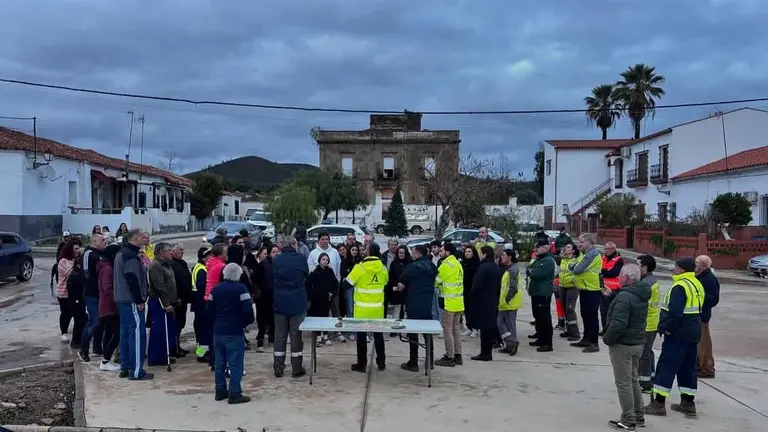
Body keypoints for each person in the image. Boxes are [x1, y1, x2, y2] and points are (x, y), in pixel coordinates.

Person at [644, 257, 706, 418]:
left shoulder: (680, 286)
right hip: (693, 332)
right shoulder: (696, 283)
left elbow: (674, 313)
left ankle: (658, 403)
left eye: (676, 266)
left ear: (683, 269)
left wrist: (666, 328)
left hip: (678, 333)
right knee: (687, 368)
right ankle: (688, 403)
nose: (674, 269)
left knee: (666, 366)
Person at [603, 264, 651, 431]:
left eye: (621, 275)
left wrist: (607, 338)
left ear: (627, 278)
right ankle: (638, 415)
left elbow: (619, 324)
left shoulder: (625, 297)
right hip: (637, 342)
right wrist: (614, 296)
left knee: (623, 382)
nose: (618, 277)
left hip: (623, 344)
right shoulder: (640, 293)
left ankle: (628, 419)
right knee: (632, 379)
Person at [210, 263, 255, 404]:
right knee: (235, 364)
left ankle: (220, 390)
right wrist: (246, 322)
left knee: (219, 362)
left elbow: (209, 310)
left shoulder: (216, 289)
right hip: (234, 331)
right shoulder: (241, 289)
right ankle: (235, 393)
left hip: (218, 331)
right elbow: (248, 311)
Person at [114, 229, 152, 380]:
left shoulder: (122, 253)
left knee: (125, 334)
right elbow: (131, 278)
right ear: (135, 238)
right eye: (143, 237)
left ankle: (126, 367)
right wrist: (139, 300)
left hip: (122, 300)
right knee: (137, 335)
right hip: (131, 301)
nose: (145, 239)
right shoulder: (130, 256)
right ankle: (136, 371)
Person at [347, 242, 389, 373]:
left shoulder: (359, 268)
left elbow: (347, 283)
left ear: (369, 251)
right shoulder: (382, 268)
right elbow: (386, 282)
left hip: (361, 310)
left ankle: (362, 364)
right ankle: (381, 362)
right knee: (378, 336)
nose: (363, 250)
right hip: (377, 310)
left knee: (361, 337)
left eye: (365, 248)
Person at [272, 235, 309, 378]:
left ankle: (278, 367)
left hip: (280, 303)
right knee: (296, 336)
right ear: (294, 245)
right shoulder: (300, 259)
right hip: (297, 302)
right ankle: (296, 368)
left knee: (279, 337)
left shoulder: (277, 260)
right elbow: (306, 275)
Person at [397, 245, 437, 372]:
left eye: (413, 253)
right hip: (428, 304)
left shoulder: (412, 267)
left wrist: (397, 288)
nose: (412, 255)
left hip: (414, 303)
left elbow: (401, 285)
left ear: (418, 254)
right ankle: (429, 360)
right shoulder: (432, 266)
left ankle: (413, 362)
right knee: (427, 333)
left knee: (413, 332)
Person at [467, 245, 502, 361]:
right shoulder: (496, 267)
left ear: (485, 254)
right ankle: (487, 352)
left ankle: (485, 353)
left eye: (480, 253)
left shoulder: (483, 267)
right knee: (489, 326)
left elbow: (477, 285)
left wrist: (470, 296)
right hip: (492, 300)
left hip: (482, 300)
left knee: (484, 327)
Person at [569, 234, 603, 353]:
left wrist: (574, 267)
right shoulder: (584, 254)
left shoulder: (592, 254)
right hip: (584, 288)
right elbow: (573, 265)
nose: (579, 244)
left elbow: (577, 269)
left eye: (582, 242)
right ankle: (586, 338)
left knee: (591, 317)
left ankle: (594, 342)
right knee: (585, 315)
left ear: (589, 242)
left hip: (592, 290)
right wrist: (573, 266)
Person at [148, 242, 179, 366]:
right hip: (159, 303)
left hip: (170, 301)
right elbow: (160, 286)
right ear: (161, 253)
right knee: (159, 330)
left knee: (168, 330)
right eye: (168, 250)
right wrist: (166, 304)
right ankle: (156, 357)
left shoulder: (167, 265)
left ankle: (163, 355)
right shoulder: (156, 266)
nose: (171, 253)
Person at [434, 242, 465, 367]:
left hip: (448, 302)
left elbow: (436, 282)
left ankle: (449, 356)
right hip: (458, 302)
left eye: (442, 250)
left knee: (447, 330)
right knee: (456, 329)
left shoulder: (445, 265)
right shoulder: (458, 264)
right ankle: (458, 355)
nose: (440, 252)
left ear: (448, 252)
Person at [79, 234, 108, 362]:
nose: (105, 242)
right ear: (94, 241)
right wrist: (97, 287)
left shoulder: (101, 254)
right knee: (93, 321)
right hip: (92, 294)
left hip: (100, 294)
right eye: (102, 240)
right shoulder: (88, 254)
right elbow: (86, 275)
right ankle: (83, 349)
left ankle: (97, 348)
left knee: (101, 321)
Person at [527, 239, 556, 352]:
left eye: (538, 247)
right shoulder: (540, 259)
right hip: (536, 292)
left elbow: (535, 274)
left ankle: (547, 343)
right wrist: (532, 270)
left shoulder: (548, 261)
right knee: (538, 317)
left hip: (543, 293)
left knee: (544, 319)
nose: (535, 249)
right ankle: (540, 338)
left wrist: (532, 271)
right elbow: (529, 268)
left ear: (546, 247)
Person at [637, 254, 661, 393]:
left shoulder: (645, 283)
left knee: (643, 354)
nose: (636, 267)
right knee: (648, 352)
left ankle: (645, 383)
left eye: (637, 265)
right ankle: (651, 377)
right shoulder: (652, 280)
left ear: (644, 267)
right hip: (652, 322)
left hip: (646, 322)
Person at [97, 244, 122, 372]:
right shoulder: (108, 269)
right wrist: (118, 303)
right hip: (110, 307)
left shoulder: (104, 267)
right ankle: (106, 360)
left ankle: (107, 360)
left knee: (109, 333)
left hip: (106, 306)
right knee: (115, 334)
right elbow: (108, 289)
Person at [204, 243, 228, 368]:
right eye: (225, 252)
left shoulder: (212, 264)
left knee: (213, 331)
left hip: (209, 299)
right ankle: (216, 360)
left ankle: (214, 359)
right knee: (218, 333)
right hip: (218, 301)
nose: (227, 254)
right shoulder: (220, 266)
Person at [695, 255, 720, 379]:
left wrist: (699, 302)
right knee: (699, 342)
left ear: (703, 266)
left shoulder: (709, 279)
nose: (695, 264)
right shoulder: (700, 277)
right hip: (698, 315)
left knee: (703, 343)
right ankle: (700, 365)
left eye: (697, 262)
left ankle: (707, 368)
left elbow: (714, 299)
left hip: (703, 316)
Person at [306, 253, 337, 346]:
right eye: (323, 259)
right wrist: (312, 295)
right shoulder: (314, 273)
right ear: (319, 261)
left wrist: (332, 292)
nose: (325, 261)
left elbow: (335, 284)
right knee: (318, 317)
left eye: (327, 260)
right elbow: (308, 286)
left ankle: (326, 335)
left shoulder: (330, 272)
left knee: (326, 316)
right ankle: (318, 336)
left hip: (327, 299)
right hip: (317, 299)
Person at [497, 247, 522, 356]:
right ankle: (510, 343)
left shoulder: (513, 270)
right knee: (501, 323)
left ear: (510, 257)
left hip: (509, 303)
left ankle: (512, 342)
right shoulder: (509, 269)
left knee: (507, 324)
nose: (501, 257)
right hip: (505, 302)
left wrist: (507, 298)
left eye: (504, 255)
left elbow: (513, 287)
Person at [169, 243, 193, 356]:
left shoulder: (182, 263)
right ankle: (173, 348)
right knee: (176, 324)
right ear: (172, 252)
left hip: (183, 299)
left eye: (183, 250)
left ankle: (177, 345)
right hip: (176, 299)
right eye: (180, 250)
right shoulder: (172, 264)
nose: (182, 252)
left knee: (181, 323)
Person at [55, 238, 81, 344]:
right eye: (75, 248)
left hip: (75, 292)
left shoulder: (77, 260)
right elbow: (71, 274)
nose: (77, 250)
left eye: (78, 248)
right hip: (63, 292)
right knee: (66, 313)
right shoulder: (63, 261)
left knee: (77, 313)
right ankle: (64, 332)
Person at [64, 241, 87, 350]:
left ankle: (77, 340)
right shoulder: (76, 275)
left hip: (78, 300)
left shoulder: (76, 273)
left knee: (81, 320)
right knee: (79, 321)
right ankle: (75, 341)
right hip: (76, 301)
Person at [192, 245, 212, 362]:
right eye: (209, 255)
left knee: (201, 329)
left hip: (198, 304)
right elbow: (201, 286)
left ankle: (201, 352)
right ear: (204, 257)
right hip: (202, 304)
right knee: (203, 330)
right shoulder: (201, 269)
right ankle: (201, 354)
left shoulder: (198, 267)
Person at [558, 243, 581, 342]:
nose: (565, 248)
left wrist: (574, 281)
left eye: (568, 247)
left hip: (572, 287)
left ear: (573, 251)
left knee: (570, 309)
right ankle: (569, 330)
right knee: (564, 309)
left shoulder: (576, 261)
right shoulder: (563, 260)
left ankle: (575, 333)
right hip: (563, 287)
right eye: (565, 247)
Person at [601, 242, 625, 334]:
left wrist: (604, 271)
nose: (606, 251)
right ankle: (604, 329)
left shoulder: (619, 260)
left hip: (614, 289)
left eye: (609, 249)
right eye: (605, 248)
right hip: (603, 288)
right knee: (603, 311)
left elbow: (614, 272)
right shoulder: (603, 258)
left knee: (612, 311)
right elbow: (599, 270)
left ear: (613, 249)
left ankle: (610, 331)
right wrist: (606, 271)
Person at [254, 246, 275, 351]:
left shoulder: (277, 265)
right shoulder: (262, 265)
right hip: (263, 297)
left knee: (273, 318)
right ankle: (260, 341)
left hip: (274, 297)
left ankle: (272, 338)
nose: (276, 254)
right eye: (273, 252)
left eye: (277, 252)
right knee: (262, 320)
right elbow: (257, 281)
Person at [385, 245, 410, 325]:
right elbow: (391, 276)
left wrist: (404, 284)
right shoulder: (394, 263)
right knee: (396, 309)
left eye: (403, 253)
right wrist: (397, 283)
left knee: (406, 309)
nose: (401, 254)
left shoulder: (409, 263)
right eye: (399, 252)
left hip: (406, 290)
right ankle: (395, 327)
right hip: (396, 290)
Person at [460, 246, 480, 338]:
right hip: (464, 289)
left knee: (473, 310)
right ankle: (469, 327)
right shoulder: (463, 263)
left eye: (469, 252)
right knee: (466, 310)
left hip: (473, 290)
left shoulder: (476, 264)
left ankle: (475, 328)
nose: (467, 253)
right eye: (466, 251)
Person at [51, 231, 72, 297]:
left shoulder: (72, 245)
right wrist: (59, 263)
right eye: (65, 237)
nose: (66, 238)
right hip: (62, 264)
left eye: (67, 237)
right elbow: (58, 255)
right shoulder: (61, 245)